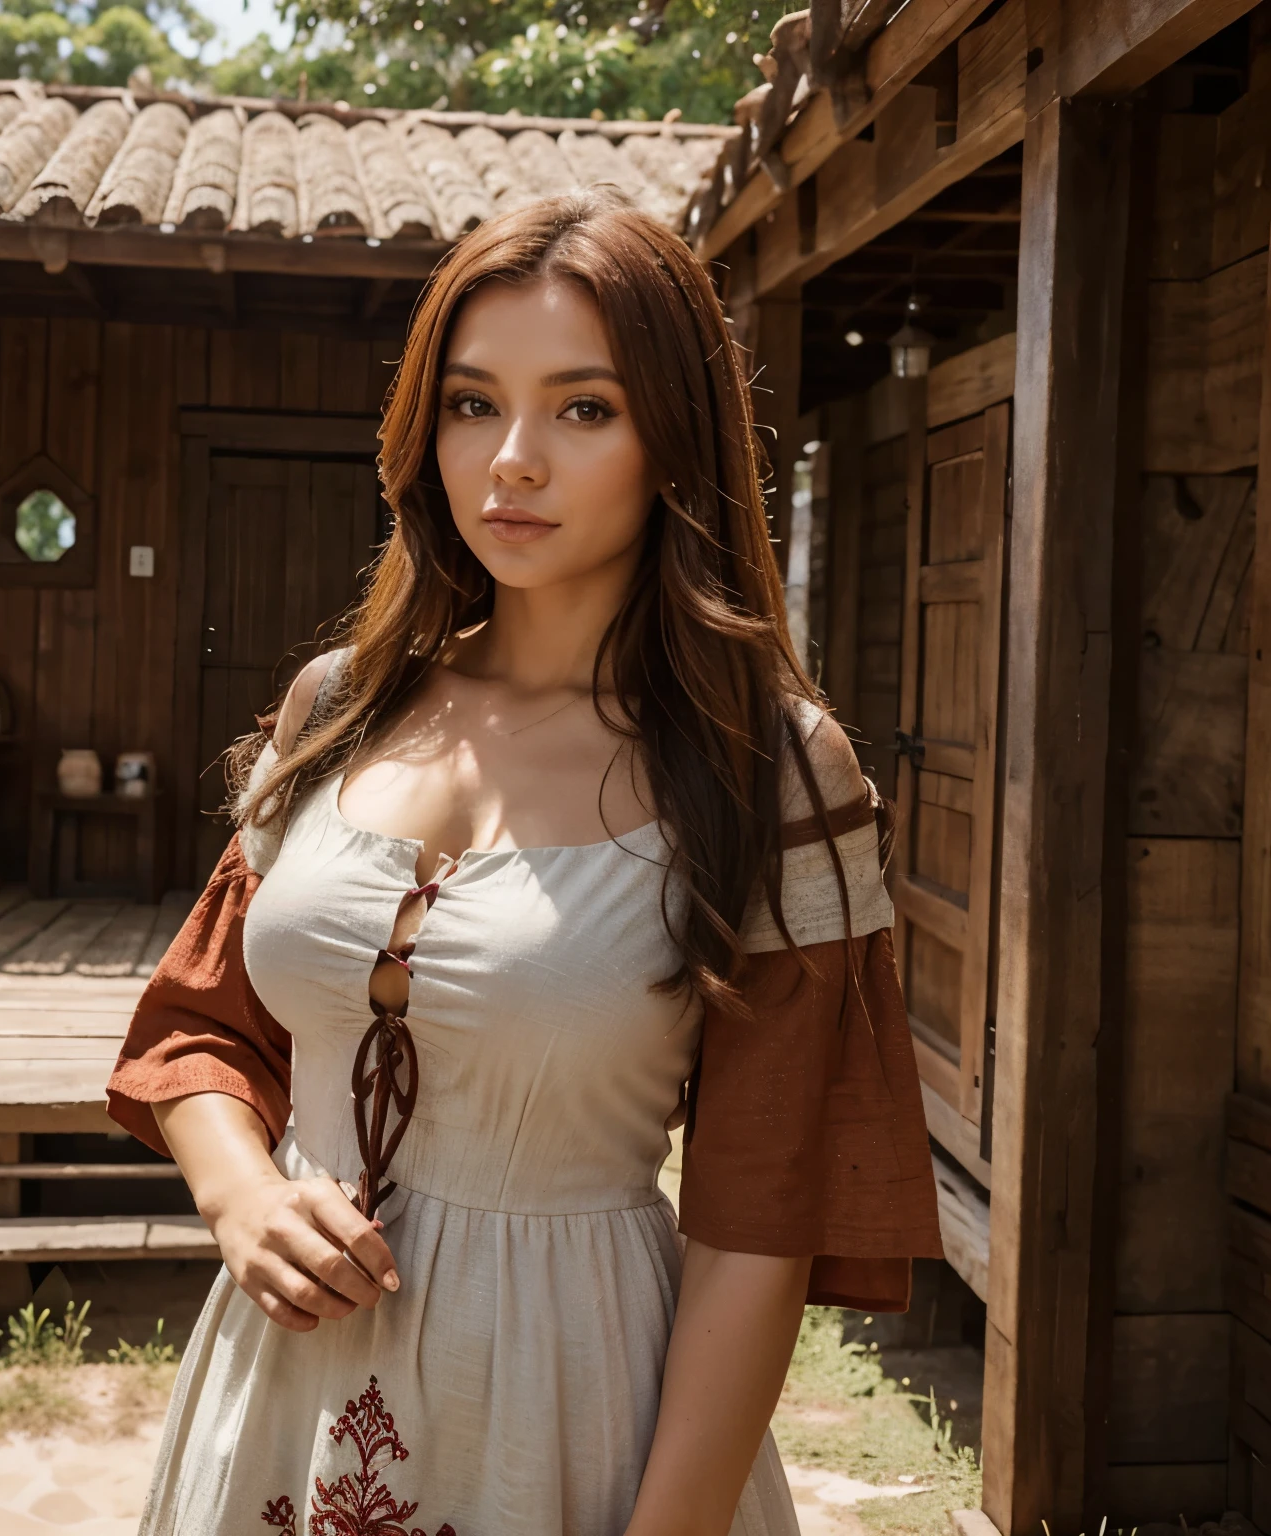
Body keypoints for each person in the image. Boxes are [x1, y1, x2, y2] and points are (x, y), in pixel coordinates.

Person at [107, 189, 943, 1536]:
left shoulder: (772, 775)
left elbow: (759, 1218)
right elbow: (204, 1026)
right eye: (473, 403)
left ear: (673, 438)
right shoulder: (339, 708)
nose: (513, 462)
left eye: (584, 409)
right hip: (275, 1401)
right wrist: (244, 1193)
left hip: (574, 1412)